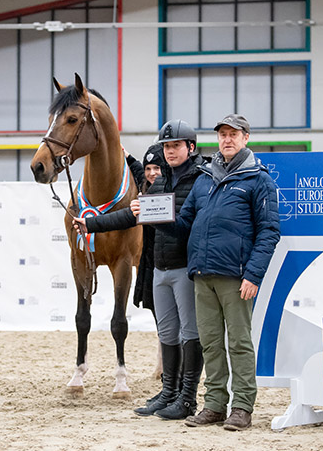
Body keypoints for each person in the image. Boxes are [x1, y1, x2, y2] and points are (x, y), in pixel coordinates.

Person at [145, 114, 280, 431]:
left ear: (246, 138)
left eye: (233, 134)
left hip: (236, 276)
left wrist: (253, 275)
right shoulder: (205, 179)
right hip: (202, 274)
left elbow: (269, 232)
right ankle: (215, 405)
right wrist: (156, 217)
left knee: (239, 343)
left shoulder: (258, 179)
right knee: (210, 343)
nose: (227, 139)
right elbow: (184, 225)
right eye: (222, 135)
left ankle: (242, 407)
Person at [75, 119, 207, 420]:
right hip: (160, 267)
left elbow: (189, 225)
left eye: (176, 146)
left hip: (185, 266)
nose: (170, 151)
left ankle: (187, 398)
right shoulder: (159, 182)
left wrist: (158, 217)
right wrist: (91, 224)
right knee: (168, 332)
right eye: (167, 146)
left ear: (190, 147)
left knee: (189, 333)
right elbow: (130, 217)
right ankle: (168, 392)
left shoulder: (200, 180)